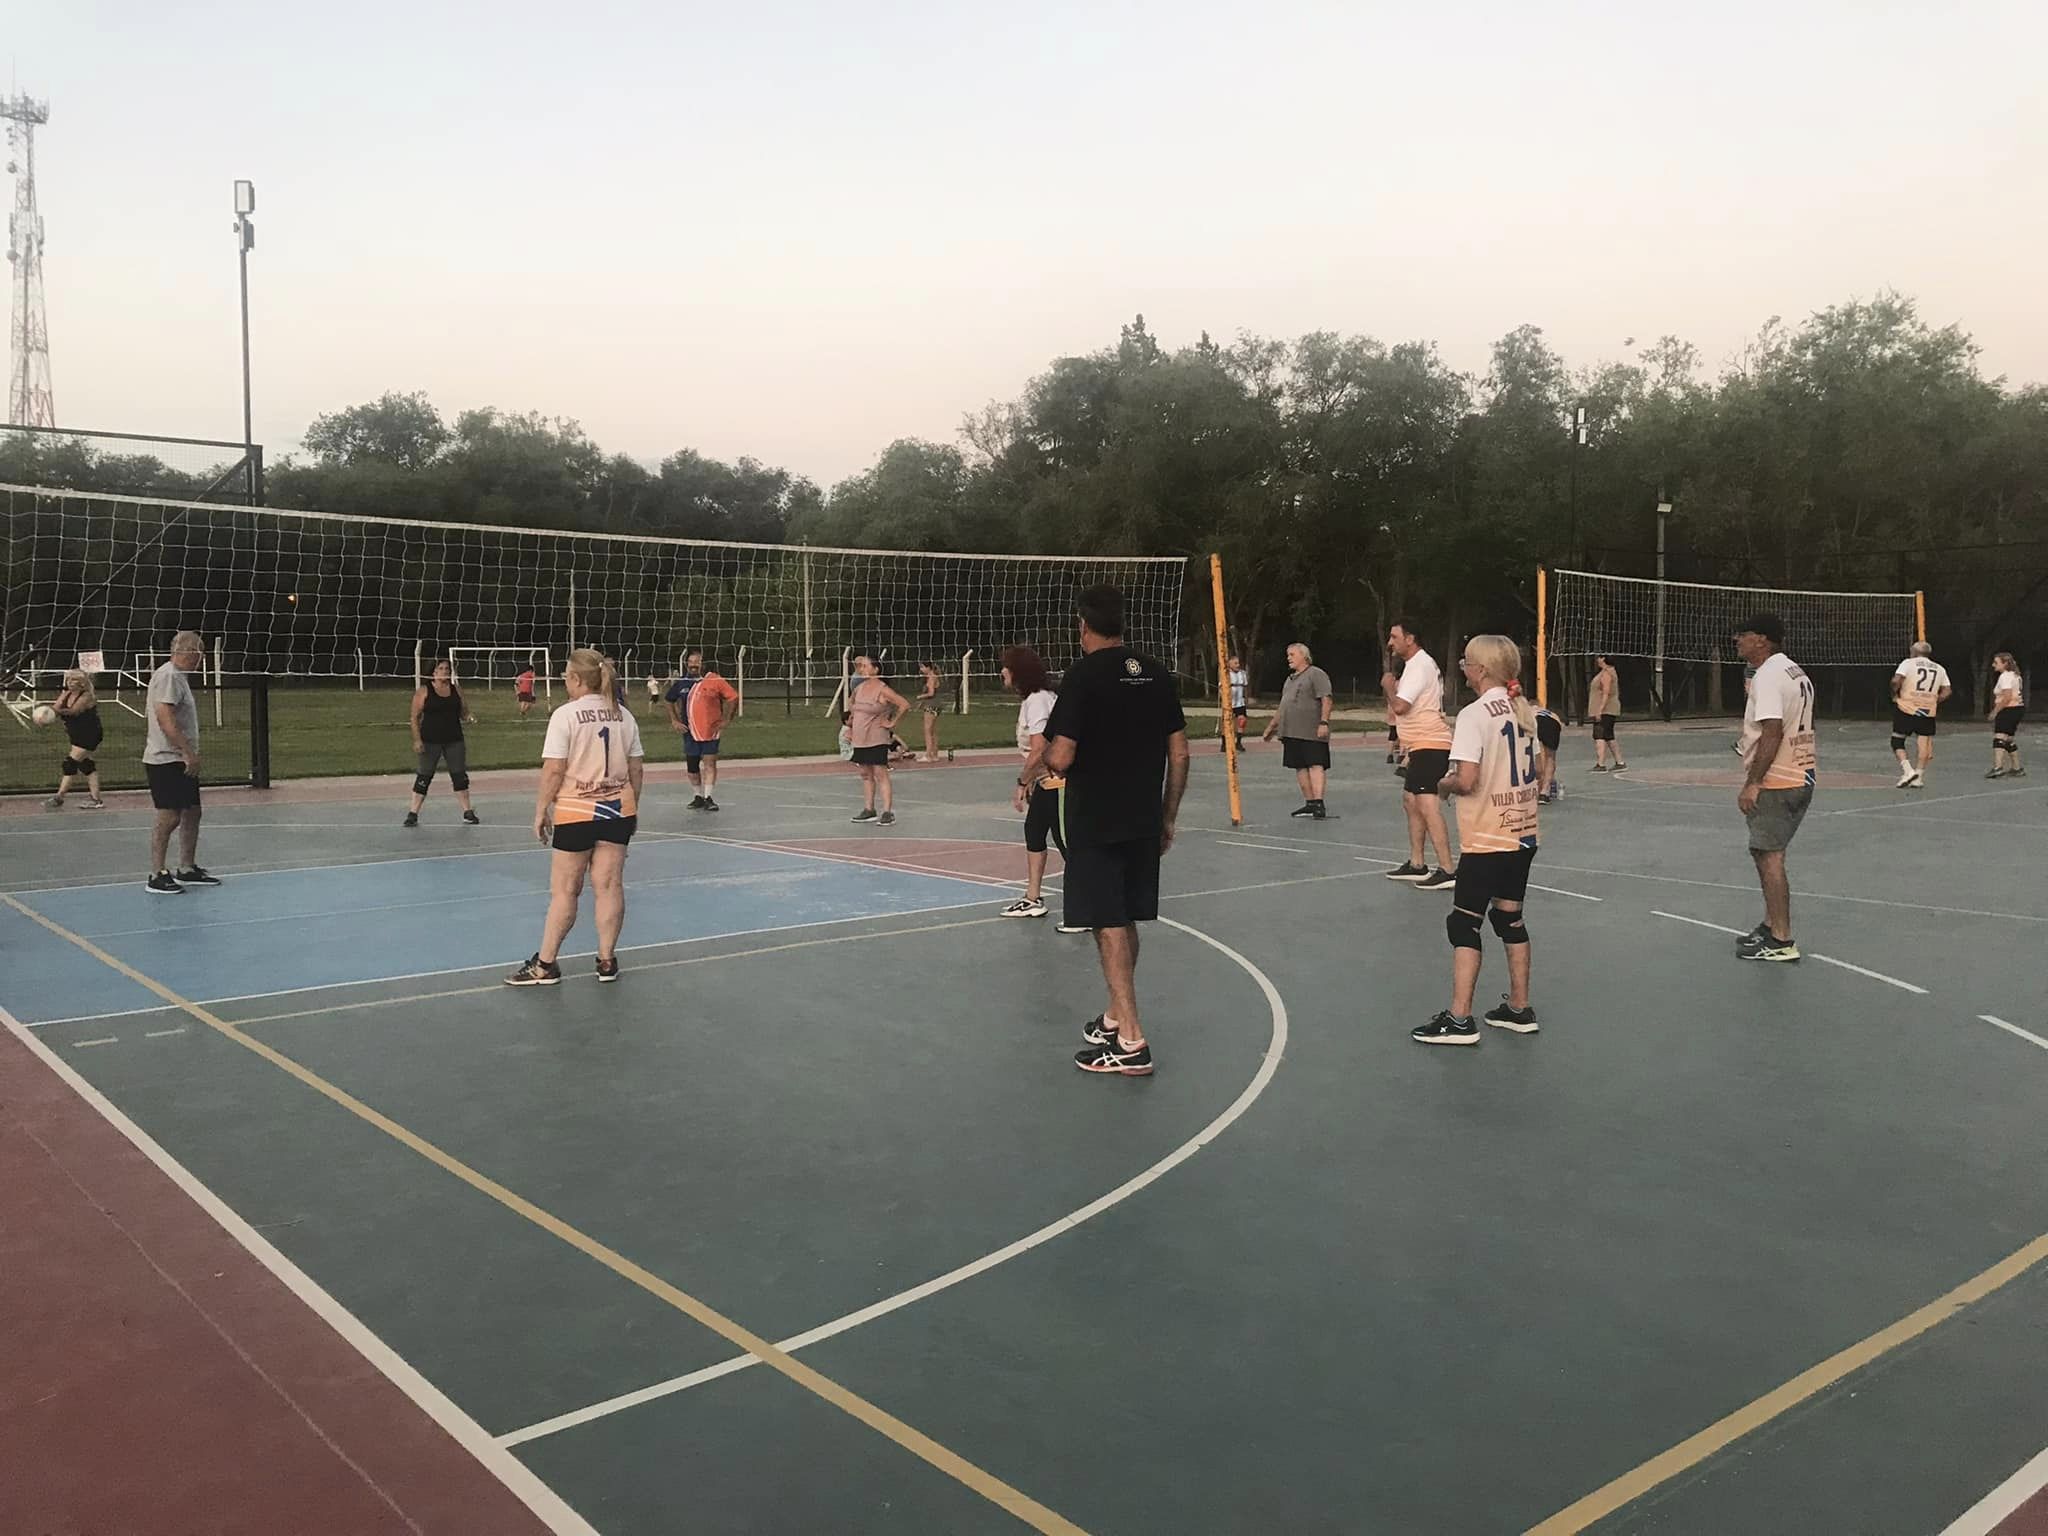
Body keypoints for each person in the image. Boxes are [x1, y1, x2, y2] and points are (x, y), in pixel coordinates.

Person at [1044, 585, 1190, 1077]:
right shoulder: (1157, 673)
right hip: (1143, 817)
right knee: (1124, 919)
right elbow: (1180, 753)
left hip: (1096, 819)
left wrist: (1044, 762)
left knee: (1107, 924)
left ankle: (1131, 1041)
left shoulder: (1082, 676)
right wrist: (1167, 815)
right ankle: (1113, 1017)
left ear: (1083, 626)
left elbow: (1062, 754)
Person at [1413, 637, 1542, 1046]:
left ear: (1481, 670)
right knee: (1509, 919)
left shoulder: (1474, 714)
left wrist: (1443, 784)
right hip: (1523, 833)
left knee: (1464, 922)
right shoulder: (1524, 711)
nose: (1463, 668)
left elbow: (1467, 779)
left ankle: (1460, 1019)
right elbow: (1538, 769)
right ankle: (1519, 1008)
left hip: (1487, 835)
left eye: (1466, 663)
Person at [506, 649, 645, 985]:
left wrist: (541, 809)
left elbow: (554, 769)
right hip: (617, 810)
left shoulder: (566, 715)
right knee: (609, 886)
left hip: (577, 811)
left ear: (576, 679)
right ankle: (607, 960)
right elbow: (636, 769)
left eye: (566, 676)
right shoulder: (623, 715)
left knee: (566, 891)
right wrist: (633, 808)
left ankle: (545, 965)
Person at [1733, 613, 1815, 962]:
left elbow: (1772, 730)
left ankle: (1781, 938)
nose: (1737, 639)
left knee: (1770, 855)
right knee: (1763, 850)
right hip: (1800, 771)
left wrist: (1753, 782)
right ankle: (1770, 926)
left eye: (1743, 634)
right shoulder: (1792, 671)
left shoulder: (1768, 676)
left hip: (1779, 778)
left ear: (1762, 640)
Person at [998, 645, 1080, 927]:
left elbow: (1040, 748)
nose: (1002, 671)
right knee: (1034, 832)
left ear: (1018, 671)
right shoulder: (1034, 700)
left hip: (1060, 781)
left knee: (1067, 844)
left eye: (1006, 666)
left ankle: (1086, 908)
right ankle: (1033, 899)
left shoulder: (1038, 700)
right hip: (1045, 781)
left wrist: (1022, 781)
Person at [142, 631, 220, 894]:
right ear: (188, 651)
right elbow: (165, 718)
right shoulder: (169, 676)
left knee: (192, 810)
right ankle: (156, 874)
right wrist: (187, 752)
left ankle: (186, 868)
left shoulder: (178, 677)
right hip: (167, 758)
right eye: (199, 652)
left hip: (178, 758)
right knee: (169, 815)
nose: (201, 658)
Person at [1381, 621, 1456, 890]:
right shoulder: (1417, 665)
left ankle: (1448, 869)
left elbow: (1401, 706)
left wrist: (1388, 686)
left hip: (1431, 742)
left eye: (1394, 637)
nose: (1390, 642)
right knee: (1411, 800)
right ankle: (1417, 864)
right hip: (1419, 744)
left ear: (1410, 639)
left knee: (1426, 803)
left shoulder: (1418, 665)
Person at [1261, 643, 1334, 818]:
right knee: (1299, 766)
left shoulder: (1316, 674)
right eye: (1288, 655)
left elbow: (1326, 698)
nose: (1289, 658)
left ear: (1304, 656)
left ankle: (1319, 803)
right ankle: (1310, 803)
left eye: (1292, 654)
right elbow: (1283, 706)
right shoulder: (1290, 680)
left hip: (1311, 730)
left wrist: (1324, 722)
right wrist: (1271, 727)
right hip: (1291, 731)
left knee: (1315, 763)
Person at [406, 660, 482, 827]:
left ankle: (467, 811)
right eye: (440, 668)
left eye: (447, 668)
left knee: (459, 776)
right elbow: (414, 717)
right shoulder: (424, 691)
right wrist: (417, 740)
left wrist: (469, 717)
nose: (445, 671)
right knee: (424, 775)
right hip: (430, 740)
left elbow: (464, 712)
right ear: (433, 672)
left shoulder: (456, 690)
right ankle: (413, 813)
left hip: (454, 739)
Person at [846, 654, 908, 825]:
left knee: (880, 773)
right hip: (860, 738)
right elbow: (851, 705)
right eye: (861, 666)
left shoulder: (882, 689)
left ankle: (887, 812)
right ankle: (869, 809)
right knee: (865, 774)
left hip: (876, 738)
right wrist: (852, 725)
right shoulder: (859, 688)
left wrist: (892, 722)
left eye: (866, 666)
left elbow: (904, 704)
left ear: (876, 669)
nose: (862, 669)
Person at [1888, 640, 1951, 788]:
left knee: (1897, 741)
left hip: (1907, 707)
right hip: (1928, 710)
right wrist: (1934, 700)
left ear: (1914, 652)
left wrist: (1894, 694)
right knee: (1924, 744)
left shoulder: (1908, 663)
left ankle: (1908, 771)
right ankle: (1919, 777)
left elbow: (1896, 681)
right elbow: (1947, 691)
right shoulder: (1939, 668)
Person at [44, 668, 107, 810]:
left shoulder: (86, 696)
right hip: (76, 735)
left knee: (70, 763)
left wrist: (55, 713)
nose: (70, 683)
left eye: (74, 680)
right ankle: (96, 799)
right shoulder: (65, 694)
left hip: (89, 734)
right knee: (86, 765)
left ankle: (59, 797)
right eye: (69, 680)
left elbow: (73, 711)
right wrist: (45, 715)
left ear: (82, 683)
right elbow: (55, 709)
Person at [683, 654, 739, 811]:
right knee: (692, 765)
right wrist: (675, 720)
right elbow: (669, 699)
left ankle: (708, 797)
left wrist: (727, 719)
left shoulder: (715, 680)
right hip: (690, 731)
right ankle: (697, 796)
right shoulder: (683, 681)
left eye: (697, 662)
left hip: (710, 730)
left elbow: (733, 697)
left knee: (709, 763)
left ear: (704, 664)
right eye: (690, 662)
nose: (693, 665)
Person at [1988, 652, 2026, 779]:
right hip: (2017, 708)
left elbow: (2007, 696)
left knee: (1999, 737)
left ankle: (1998, 767)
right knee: (2008, 739)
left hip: (2009, 709)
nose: (1993, 665)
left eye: (1996, 662)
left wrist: (1995, 711)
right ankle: (2016, 768)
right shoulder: (2015, 675)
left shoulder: (2005, 676)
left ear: (2005, 664)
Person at [1588, 654, 1626, 771]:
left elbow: (1606, 693)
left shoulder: (1607, 674)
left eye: (1599, 657)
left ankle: (1601, 764)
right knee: (1609, 736)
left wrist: (1600, 710)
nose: (1597, 660)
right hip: (1608, 709)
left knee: (1599, 735)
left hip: (1606, 710)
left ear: (1603, 659)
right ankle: (1620, 762)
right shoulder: (1607, 671)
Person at [913, 661, 944, 763]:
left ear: (928, 667)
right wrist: (922, 703)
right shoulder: (933, 677)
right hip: (935, 705)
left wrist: (920, 697)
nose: (921, 669)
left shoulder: (931, 677)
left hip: (931, 705)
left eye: (922, 667)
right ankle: (934, 755)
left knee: (927, 731)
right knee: (933, 731)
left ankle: (928, 755)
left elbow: (931, 693)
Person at [1534, 701, 1564, 803]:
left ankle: (1539, 785)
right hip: (1553, 723)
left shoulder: (1527, 710)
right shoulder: (1552, 714)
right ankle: (1545, 791)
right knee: (1550, 757)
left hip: (1535, 722)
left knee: (1538, 754)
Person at [1225, 653, 1251, 752]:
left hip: (1240, 702)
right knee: (1227, 722)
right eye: (1235, 663)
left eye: (1238, 663)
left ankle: (1238, 742)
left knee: (1242, 721)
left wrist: (1246, 699)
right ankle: (1224, 743)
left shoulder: (1242, 673)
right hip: (1229, 702)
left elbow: (1245, 687)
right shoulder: (1226, 674)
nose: (1238, 665)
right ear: (1230, 664)